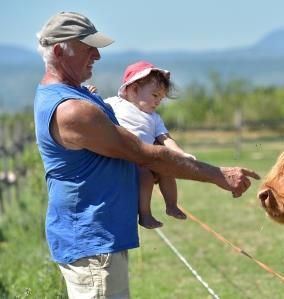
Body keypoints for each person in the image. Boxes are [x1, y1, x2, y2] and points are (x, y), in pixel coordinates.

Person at [34, 11, 259, 299]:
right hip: (93, 244)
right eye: (87, 47)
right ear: (58, 51)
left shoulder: (79, 96)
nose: (97, 55)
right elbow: (145, 154)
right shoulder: (72, 110)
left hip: (99, 239)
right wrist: (218, 175)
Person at [90, 61, 193, 229]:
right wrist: (91, 94)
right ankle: (145, 214)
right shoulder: (114, 104)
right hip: (125, 158)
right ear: (134, 89)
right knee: (145, 175)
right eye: (155, 95)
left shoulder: (154, 118)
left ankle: (172, 205)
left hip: (148, 157)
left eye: (161, 98)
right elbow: (94, 109)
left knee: (167, 168)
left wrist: (181, 154)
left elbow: (166, 138)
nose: (158, 101)